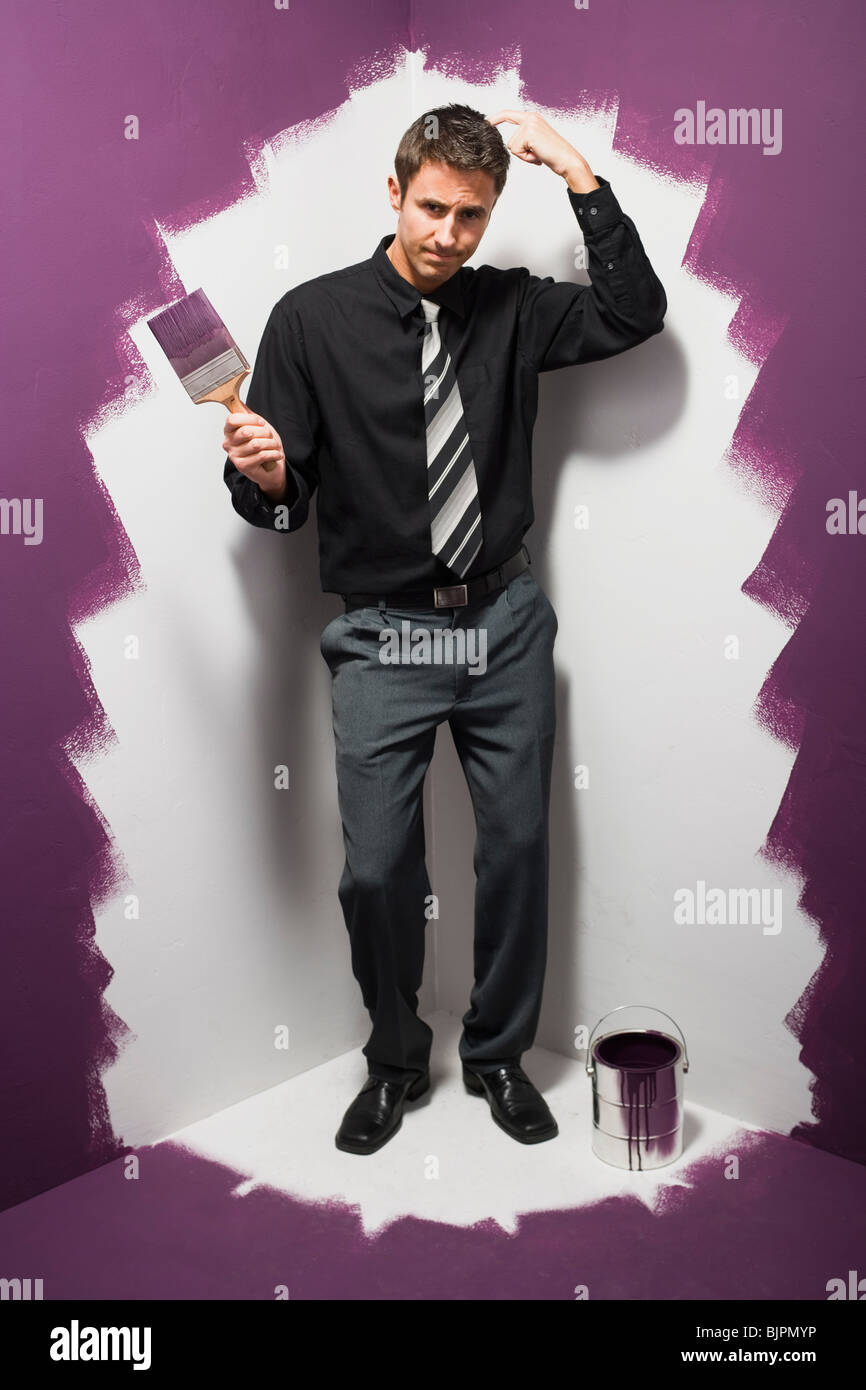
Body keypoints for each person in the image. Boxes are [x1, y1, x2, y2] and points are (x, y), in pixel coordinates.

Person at [222, 103, 667, 1155]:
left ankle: (499, 1055)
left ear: (489, 211)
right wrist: (275, 480)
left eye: (469, 216)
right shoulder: (308, 319)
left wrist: (577, 173)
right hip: (383, 635)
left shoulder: (511, 308)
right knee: (378, 867)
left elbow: (635, 312)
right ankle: (391, 1059)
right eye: (430, 208)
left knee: (513, 850)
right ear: (393, 192)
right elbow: (272, 505)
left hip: (504, 623)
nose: (445, 235)